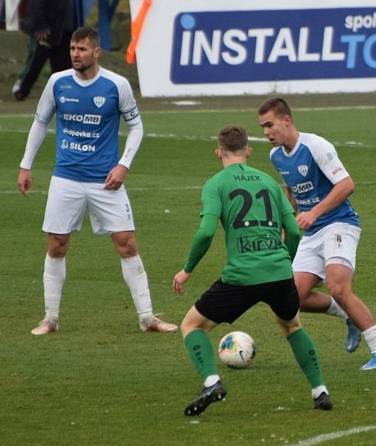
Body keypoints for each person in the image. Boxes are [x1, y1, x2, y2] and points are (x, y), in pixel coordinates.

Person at [16, 26, 176, 335]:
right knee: (57, 244)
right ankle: (50, 318)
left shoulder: (116, 85)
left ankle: (147, 318)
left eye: (82, 49)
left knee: (127, 244)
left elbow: (137, 127)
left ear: (96, 52)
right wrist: (26, 166)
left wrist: (123, 165)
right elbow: (40, 123)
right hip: (66, 178)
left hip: (106, 181)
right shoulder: (57, 83)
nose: (76, 54)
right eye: (73, 49)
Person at [173, 125, 332, 416]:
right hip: (279, 273)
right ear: (248, 150)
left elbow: (206, 232)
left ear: (218, 152)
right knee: (292, 325)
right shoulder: (270, 183)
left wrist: (187, 270)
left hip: (241, 276)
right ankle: (320, 390)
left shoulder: (215, 184)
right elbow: (294, 231)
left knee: (191, 326)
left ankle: (211, 382)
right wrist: (286, 261)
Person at [257, 97, 376, 371]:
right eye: (262, 127)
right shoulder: (276, 156)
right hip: (312, 233)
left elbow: (346, 185)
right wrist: (286, 228)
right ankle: (347, 316)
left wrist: (314, 213)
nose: (266, 132)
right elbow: (291, 192)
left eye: (270, 125)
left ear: (287, 120)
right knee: (291, 299)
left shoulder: (316, 146)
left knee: (338, 287)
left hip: (340, 224)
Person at [15, 0, 80, 101]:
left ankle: (61, 91)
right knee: (36, 61)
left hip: (64, 30)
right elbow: (36, 5)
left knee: (62, 63)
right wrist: (41, 26)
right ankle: (21, 89)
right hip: (47, 29)